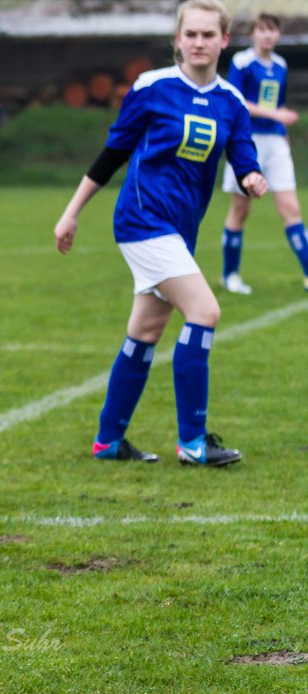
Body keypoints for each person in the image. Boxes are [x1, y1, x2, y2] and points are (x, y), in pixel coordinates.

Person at [54, 0, 265, 468]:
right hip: (142, 221)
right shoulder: (152, 87)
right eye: (190, 34)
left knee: (146, 330)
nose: (199, 42)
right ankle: (192, 442)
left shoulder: (231, 102)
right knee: (205, 310)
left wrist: (251, 178)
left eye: (209, 35)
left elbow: (244, 154)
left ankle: (108, 442)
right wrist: (71, 214)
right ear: (178, 39)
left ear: (224, 41)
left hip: (178, 231)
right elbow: (112, 155)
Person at [219, 13, 306, 295]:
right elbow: (237, 101)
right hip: (246, 141)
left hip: (275, 143)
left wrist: (283, 131)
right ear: (253, 34)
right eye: (262, 30)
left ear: (278, 35)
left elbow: (276, 104)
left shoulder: (279, 65)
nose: (267, 36)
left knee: (292, 209)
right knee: (240, 210)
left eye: (272, 31)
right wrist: (275, 114)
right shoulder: (242, 62)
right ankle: (229, 274)